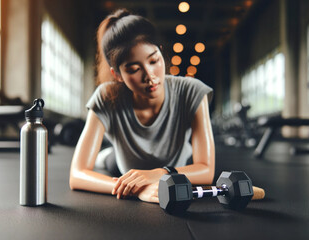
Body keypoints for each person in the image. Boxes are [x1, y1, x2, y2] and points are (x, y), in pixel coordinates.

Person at [69, 9, 215, 203]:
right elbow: (77, 175)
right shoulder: (107, 95)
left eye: (154, 60)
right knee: (109, 161)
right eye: (134, 69)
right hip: (125, 168)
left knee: (186, 158)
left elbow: (206, 171)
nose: (150, 76)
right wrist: (135, 189)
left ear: (161, 52)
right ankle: (106, 155)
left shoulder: (191, 91)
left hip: (177, 164)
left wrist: (157, 174)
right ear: (117, 75)